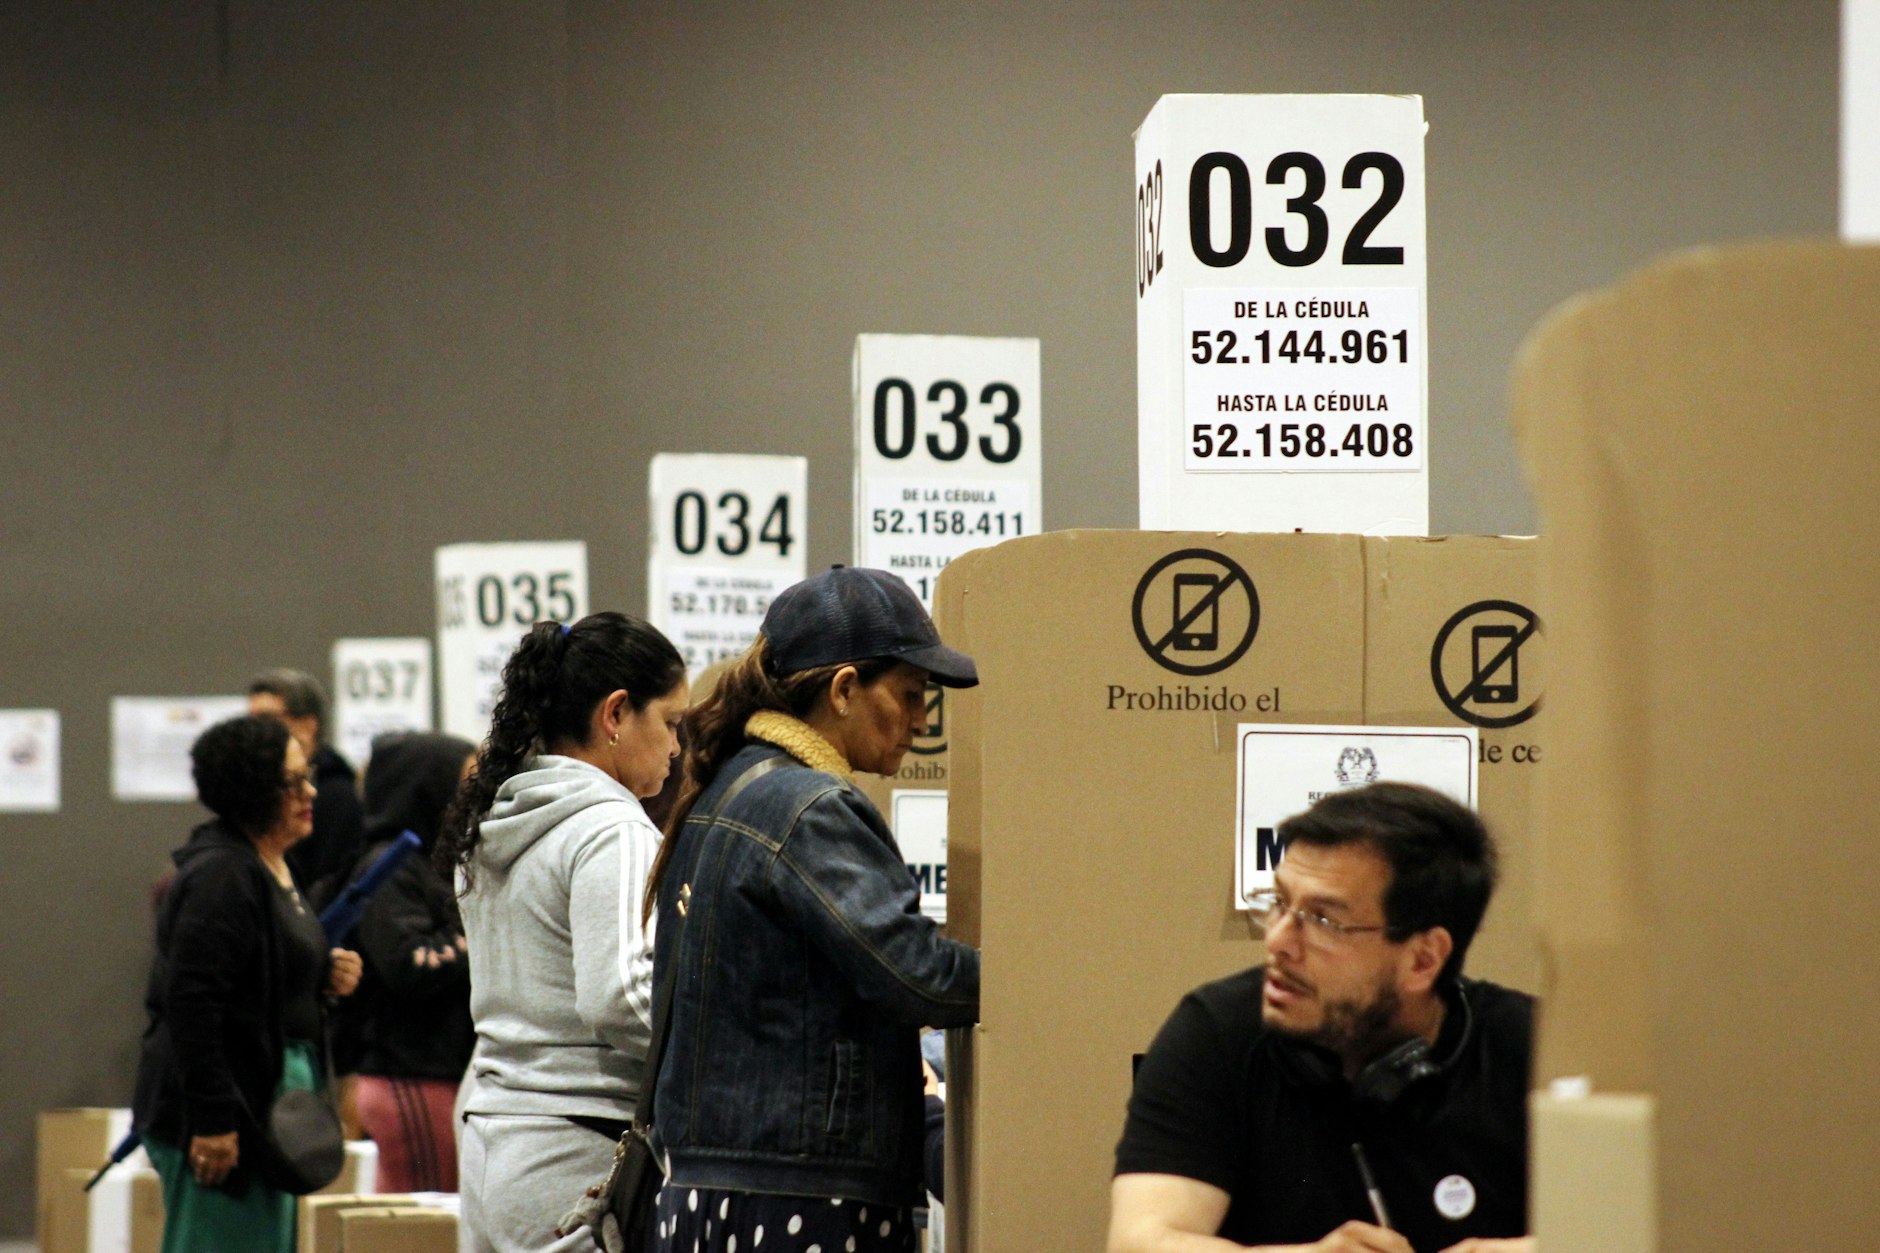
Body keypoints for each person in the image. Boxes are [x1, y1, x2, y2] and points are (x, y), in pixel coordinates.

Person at [643, 566, 981, 1253]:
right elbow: (917, 974)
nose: (923, 721)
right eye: (911, 694)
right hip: (800, 1198)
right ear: (844, 689)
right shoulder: (811, 808)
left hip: (717, 1193)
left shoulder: (726, 791)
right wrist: (1035, 974)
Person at [1107, 783, 1537, 1253]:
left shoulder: (1532, 1048)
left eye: (1323, 921)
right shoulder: (1216, 1032)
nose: (1278, 941)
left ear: (1422, 959)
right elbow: (1138, 1243)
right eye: (1279, 903)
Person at [435, 612, 688, 1253]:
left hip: (490, 1138)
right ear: (616, 713)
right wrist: (729, 1051)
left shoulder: (494, 819)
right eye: (671, 723)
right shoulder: (611, 827)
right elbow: (621, 997)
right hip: (572, 1152)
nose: (677, 747)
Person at [131, 714, 364, 1253]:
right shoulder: (222, 874)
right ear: (252, 792)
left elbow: (253, 977)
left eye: (307, 776)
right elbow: (192, 1002)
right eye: (292, 782)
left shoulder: (273, 865)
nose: (310, 792)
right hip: (225, 1112)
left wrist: (319, 977)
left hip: (266, 1102)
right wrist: (213, 1120)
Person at [337, 730, 478, 1193]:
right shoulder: (389, 866)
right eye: (465, 784)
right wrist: (484, 935)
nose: (477, 797)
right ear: (429, 790)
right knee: (424, 1222)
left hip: (436, 1073)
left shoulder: (434, 863)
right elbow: (408, 963)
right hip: (412, 1074)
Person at [248, 668, 366, 898]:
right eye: (250, 720)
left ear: (307, 726)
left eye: (266, 719)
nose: (253, 731)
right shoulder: (255, 789)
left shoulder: (336, 795)